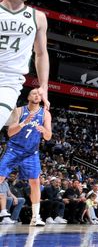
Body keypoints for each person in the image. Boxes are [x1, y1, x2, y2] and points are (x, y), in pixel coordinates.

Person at [0, 0, 50, 127]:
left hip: (9, 81)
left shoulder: (38, 17)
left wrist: (44, 86)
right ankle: (12, 115)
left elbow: (41, 54)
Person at [0, 88, 51, 226]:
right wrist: (24, 123)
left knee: (35, 182)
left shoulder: (45, 114)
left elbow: (48, 136)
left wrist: (44, 130)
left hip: (31, 152)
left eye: (39, 94)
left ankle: (35, 217)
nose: (37, 95)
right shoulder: (19, 111)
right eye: (34, 93)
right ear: (28, 97)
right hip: (14, 149)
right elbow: (10, 132)